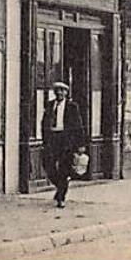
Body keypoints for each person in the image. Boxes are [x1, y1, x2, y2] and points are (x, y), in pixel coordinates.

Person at [41, 80, 87, 208]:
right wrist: (44, 140)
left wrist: (80, 144)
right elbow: (44, 123)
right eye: (57, 90)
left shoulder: (72, 107)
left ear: (66, 93)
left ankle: (61, 197)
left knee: (63, 168)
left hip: (66, 140)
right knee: (48, 165)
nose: (59, 93)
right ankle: (62, 185)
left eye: (62, 90)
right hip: (52, 139)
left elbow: (79, 126)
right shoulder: (49, 105)